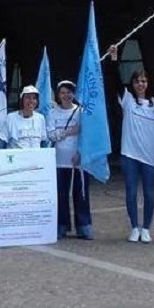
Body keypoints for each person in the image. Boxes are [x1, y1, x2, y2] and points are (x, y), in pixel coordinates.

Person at [108, 45, 154, 244]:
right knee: (130, 192)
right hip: (129, 154)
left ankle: (146, 228)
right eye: (137, 81)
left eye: (143, 81)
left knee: (149, 193)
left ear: (148, 83)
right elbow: (115, 80)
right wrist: (114, 59)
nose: (140, 84)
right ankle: (134, 227)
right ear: (133, 84)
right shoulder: (127, 100)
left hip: (150, 156)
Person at [46, 80, 93, 240]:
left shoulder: (81, 112)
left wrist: (80, 152)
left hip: (79, 161)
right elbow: (50, 135)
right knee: (61, 194)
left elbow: (87, 135)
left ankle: (83, 226)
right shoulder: (53, 113)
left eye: (69, 92)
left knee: (81, 193)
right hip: (59, 161)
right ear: (58, 95)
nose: (66, 95)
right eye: (63, 92)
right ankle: (62, 225)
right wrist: (67, 132)